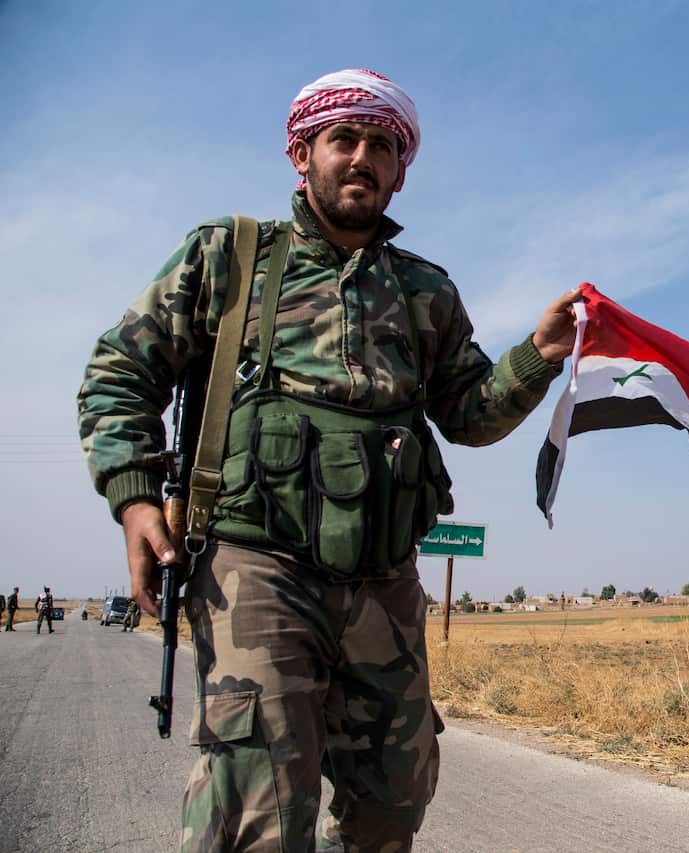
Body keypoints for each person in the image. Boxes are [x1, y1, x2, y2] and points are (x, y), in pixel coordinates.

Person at [77, 69, 577, 852]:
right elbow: (119, 372)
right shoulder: (230, 257)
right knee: (260, 806)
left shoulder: (424, 292)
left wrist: (539, 355)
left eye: (382, 145)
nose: (362, 157)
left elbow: (470, 414)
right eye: (344, 138)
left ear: (401, 169)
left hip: (385, 579)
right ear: (301, 152)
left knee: (393, 802)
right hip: (258, 566)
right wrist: (136, 497)